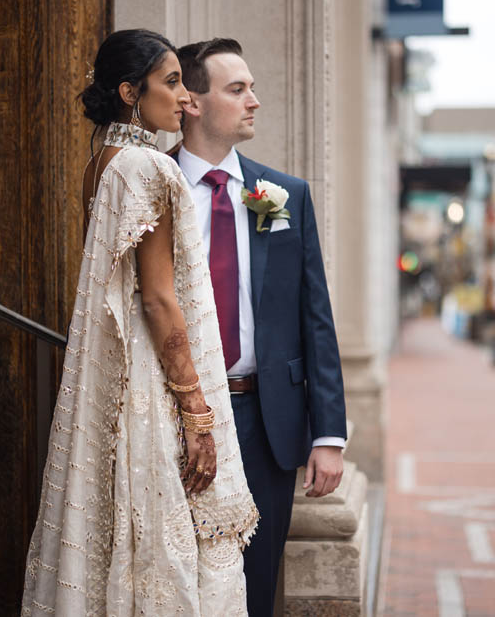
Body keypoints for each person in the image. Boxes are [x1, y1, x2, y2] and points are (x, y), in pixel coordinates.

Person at [20, 29, 258, 616]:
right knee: (163, 535)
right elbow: (157, 301)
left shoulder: (100, 163)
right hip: (151, 386)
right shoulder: (147, 167)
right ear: (131, 92)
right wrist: (197, 412)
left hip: (116, 386)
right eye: (172, 82)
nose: (187, 99)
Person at [173, 38, 347, 617]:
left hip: (264, 422)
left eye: (252, 88)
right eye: (237, 89)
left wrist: (328, 435)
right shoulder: (155, 188)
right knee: (178, 576)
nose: (255, 101)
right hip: (176, 420)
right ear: (192, 102)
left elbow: (313, 318)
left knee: (256, 581)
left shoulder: (278, 195)